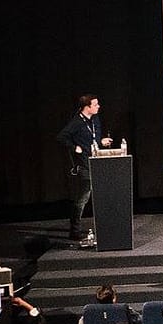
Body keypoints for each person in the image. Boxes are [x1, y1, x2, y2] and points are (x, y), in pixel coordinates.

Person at [57, 94, 113, 248]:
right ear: (87, 106)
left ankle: (105, 227)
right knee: (83, 197)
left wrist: (101, 141)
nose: (98, 106)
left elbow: (94, 139)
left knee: (101, 195)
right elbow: (61, 137)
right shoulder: (76, 122)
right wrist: (74, 147)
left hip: (97, 162)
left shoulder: (95, 120)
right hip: (84, 164)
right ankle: (74, 230)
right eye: (95, 104)